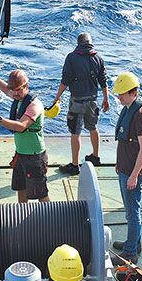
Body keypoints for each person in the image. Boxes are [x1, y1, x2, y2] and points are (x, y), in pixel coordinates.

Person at [0, 67, 50, 203]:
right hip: (21, 154)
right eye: (13, 90)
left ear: (26, 86)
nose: (15, 93)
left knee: (40, 193)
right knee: (21, 187)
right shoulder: (18, 97)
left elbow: (21, 126)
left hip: (34, 156)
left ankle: (52, 219)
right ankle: (22, 216)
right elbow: (6, 89)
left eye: (18, 89)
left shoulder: (34, 106)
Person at [51, 32, 110, 176]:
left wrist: (57, 97)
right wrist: (106, 98)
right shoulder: (98, 58)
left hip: (77, 101)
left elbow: (66, 79)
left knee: (75, 132)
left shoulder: (71, 57)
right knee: (93, 128)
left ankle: (75, 165)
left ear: (78, 44)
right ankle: (95, 157)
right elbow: (103, 80)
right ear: (90, 43)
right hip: (93, 100)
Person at [111, 72, 142, 262]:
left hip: (132, 173)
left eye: (122, 93)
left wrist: (134, 175)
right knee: (129, 209)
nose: (119, 97)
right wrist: (119, 163)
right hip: (125, 168)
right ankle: (134, 242)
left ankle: (130, 252)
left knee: (132, 212)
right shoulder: (127, 108)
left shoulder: (140, 116)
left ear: (133, 92)